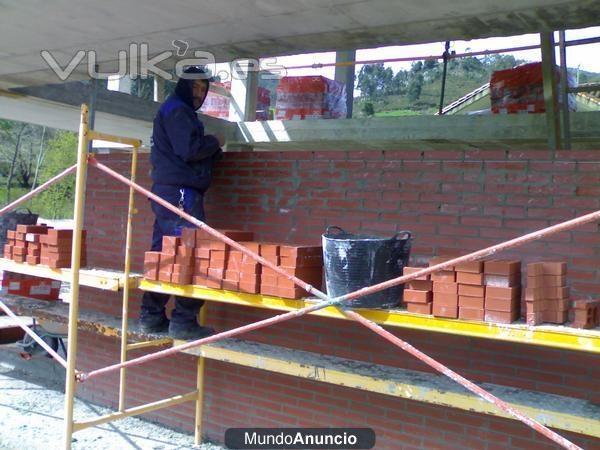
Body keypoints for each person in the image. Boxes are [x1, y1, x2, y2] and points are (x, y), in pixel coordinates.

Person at [139, 66, 223, 339]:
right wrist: (214, 142)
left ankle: (151, 316)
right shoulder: (178, 110)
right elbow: (189, 150)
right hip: (181, 194)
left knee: (164, 253)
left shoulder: (174, 110)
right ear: (184, 86)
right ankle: (184, 320)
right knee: (192, 251)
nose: (199, 94)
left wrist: (209, 154)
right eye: (195, 87)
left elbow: (183, 150)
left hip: (169, 192)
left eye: (203, 89)